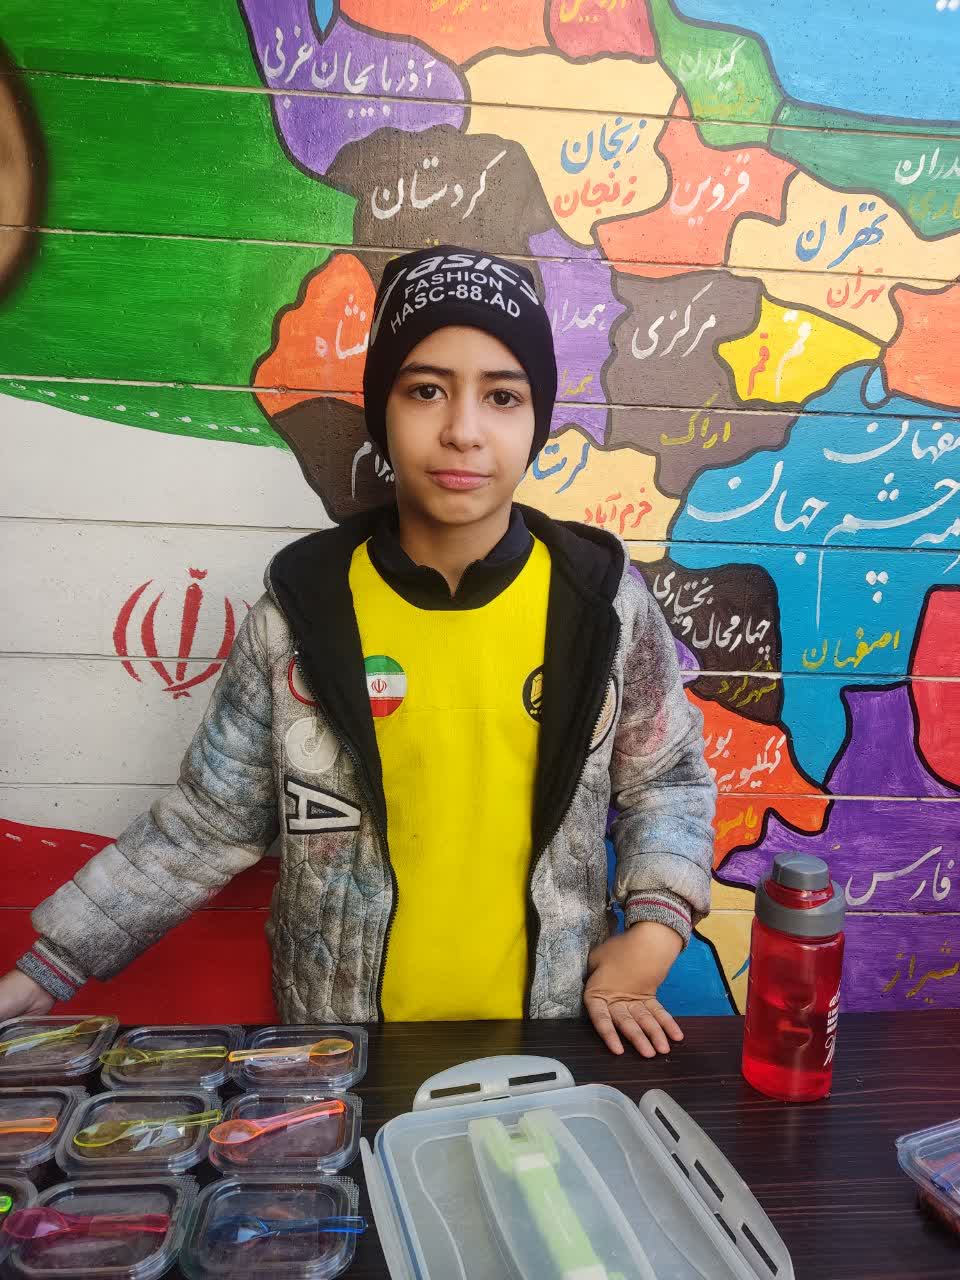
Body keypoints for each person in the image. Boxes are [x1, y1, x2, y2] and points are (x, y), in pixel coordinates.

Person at [0, 246, 716, 1056]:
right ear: (382, 409)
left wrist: (654, 933)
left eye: (503, 396)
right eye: (426, 390)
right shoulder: (304, 613)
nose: (463, 431)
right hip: (341, 1057)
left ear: (538, 417)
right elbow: (209, 822)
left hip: (543, 1043)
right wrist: (45, 968)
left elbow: (668, 783)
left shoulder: (602, 607)